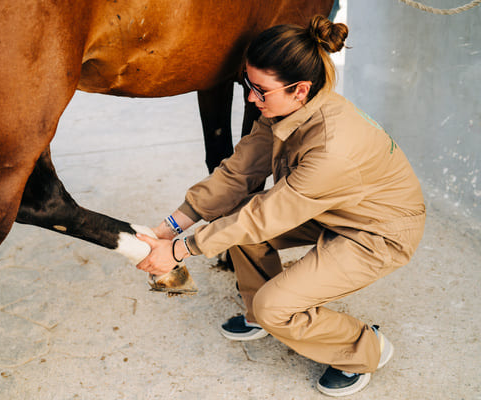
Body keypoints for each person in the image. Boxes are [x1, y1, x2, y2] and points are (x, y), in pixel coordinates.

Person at [136, 15, 425, 397]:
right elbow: (238, 173)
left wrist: (179, 250)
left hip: (378, 231)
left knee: (272, 295)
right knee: (231, 222)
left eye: (260, 90)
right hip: (333, 209)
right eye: (247, 84)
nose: (251, 99)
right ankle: (261, 315)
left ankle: (363, 349)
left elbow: (265, 216)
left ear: (300, 89)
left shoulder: (332, 148)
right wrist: (168, 228)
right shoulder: (285, 110)